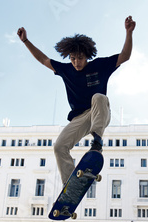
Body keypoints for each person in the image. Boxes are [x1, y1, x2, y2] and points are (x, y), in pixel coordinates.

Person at [17, 16, 136, 184]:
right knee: (59, 147)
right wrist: (26, 41)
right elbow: (43, 59)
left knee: (99, 97)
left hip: (99, 113)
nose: (76, 62)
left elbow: (125, 56)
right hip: (79, 118)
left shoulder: (100, 65)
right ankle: (71, 186)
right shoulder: (66, 70)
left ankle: (97, 142)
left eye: (80, 58)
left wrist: (128, 33)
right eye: (72, 58)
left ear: (87, 56)